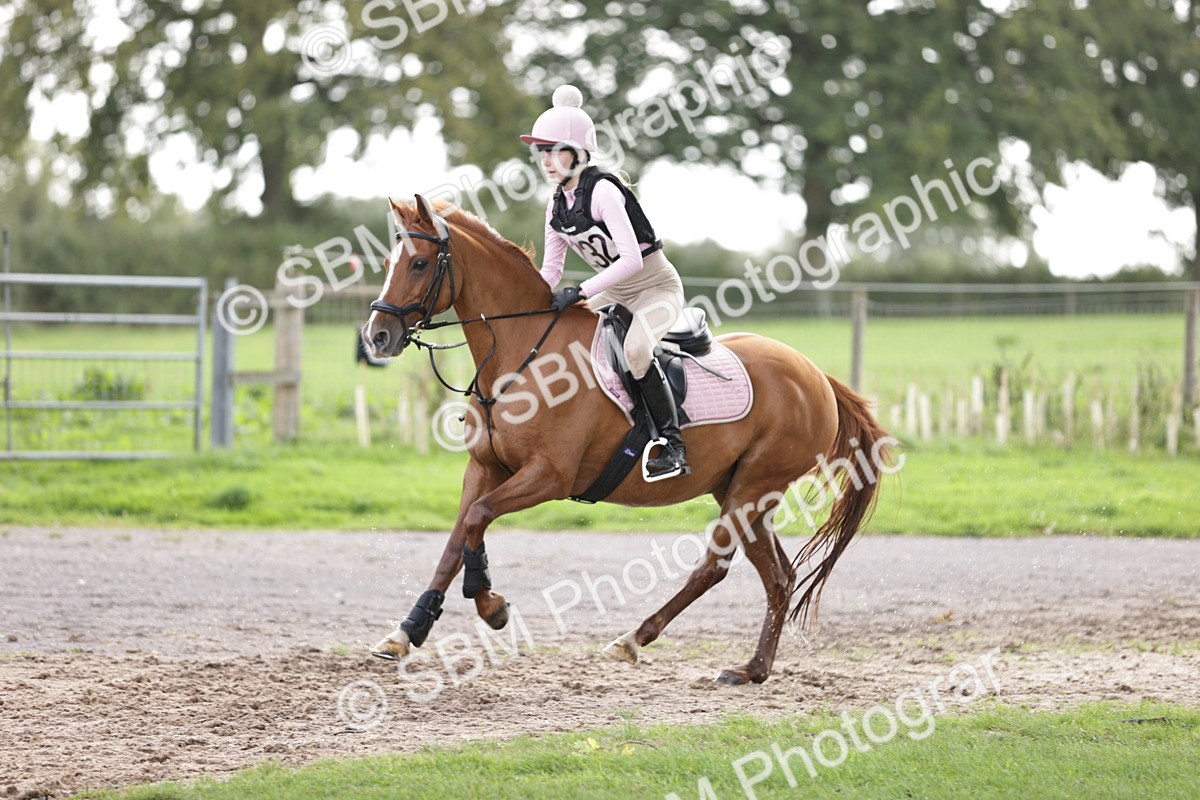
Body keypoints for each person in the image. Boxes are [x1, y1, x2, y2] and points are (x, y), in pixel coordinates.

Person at [519, 84, 690, 480]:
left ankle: (673, 445)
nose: (545, 160)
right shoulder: (556, 205)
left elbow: (631, 259)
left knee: (635, 351)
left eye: (553, 150)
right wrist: (529, 304)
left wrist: (580, 293)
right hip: (613, 292)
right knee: (556, 335)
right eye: (541, 152)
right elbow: (551, 272)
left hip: (656, 287)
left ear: (578, 153)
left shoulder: (604, 191)